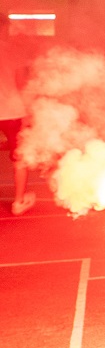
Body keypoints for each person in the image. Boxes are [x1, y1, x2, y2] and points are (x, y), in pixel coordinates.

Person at [0, 19, 35, 215]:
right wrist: (29, 111)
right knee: (19, 158)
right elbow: (21, 84)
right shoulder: (13, 51)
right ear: (3, 28)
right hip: (13, 111)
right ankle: (18, 202)